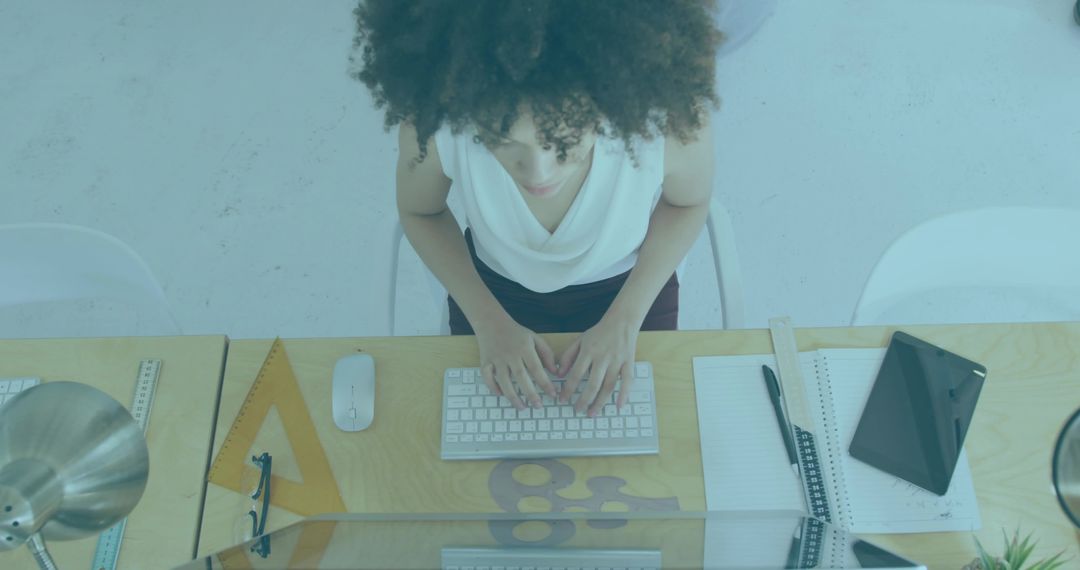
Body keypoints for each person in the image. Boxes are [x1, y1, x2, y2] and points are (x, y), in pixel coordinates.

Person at [352, 0, 723, 418]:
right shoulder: (437, 123)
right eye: (504, 141)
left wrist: (625, 319)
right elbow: (421, 212)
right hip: (493, 293)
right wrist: (489, 321)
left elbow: (689, 203)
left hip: (630, 289)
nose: (538, 173)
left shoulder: (666, 122)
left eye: (563, 142)